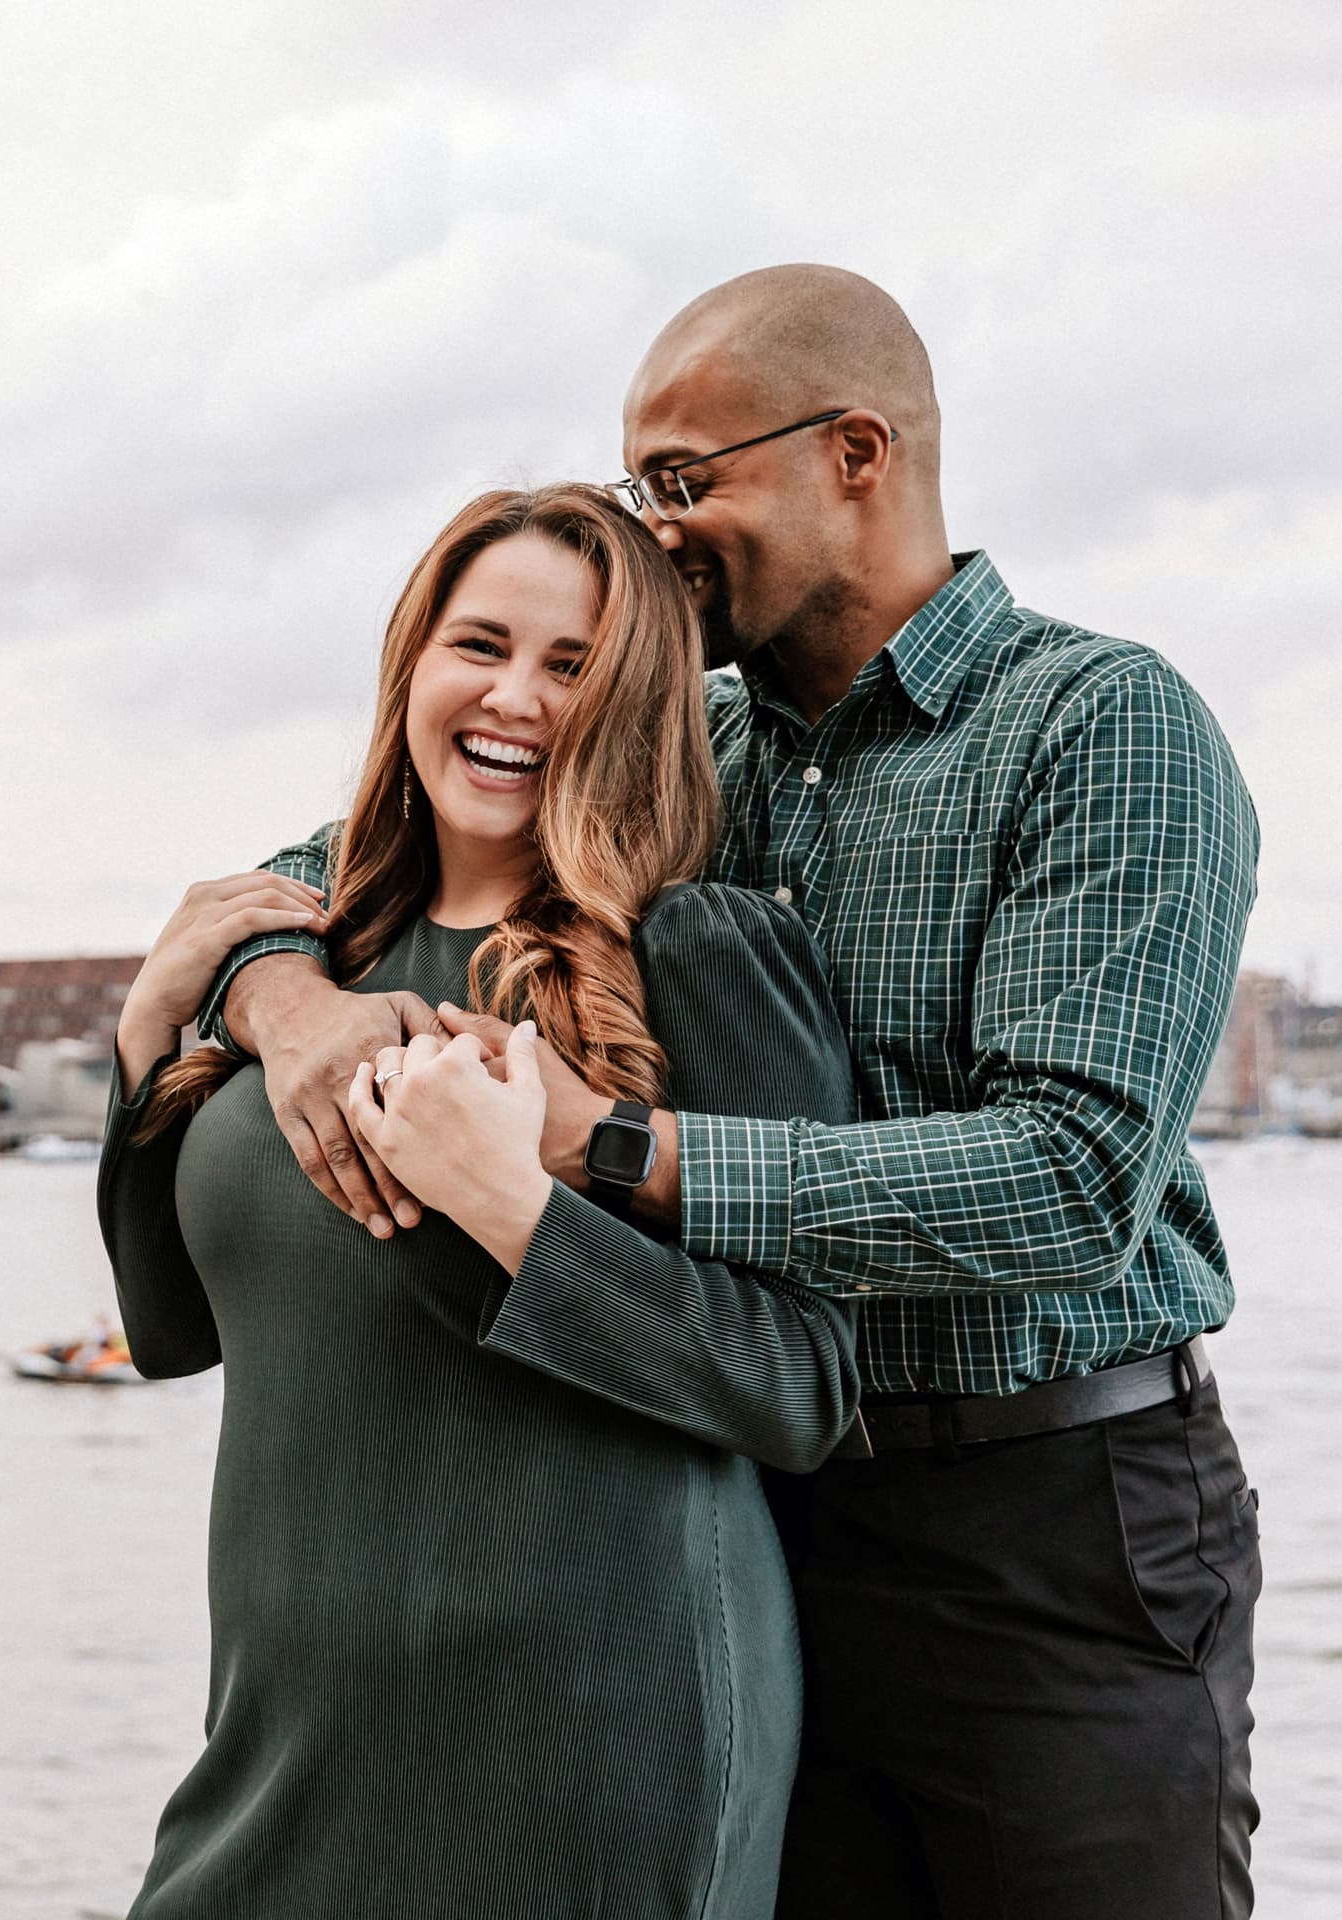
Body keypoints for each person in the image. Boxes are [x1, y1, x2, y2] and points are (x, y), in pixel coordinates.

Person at [198, 266, 1263, 1920]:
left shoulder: (1104, 726)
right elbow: (340, 868)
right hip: (757, 1516)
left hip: (1053, 1531)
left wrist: (606, 1147)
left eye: (686, 483)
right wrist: (278, 999)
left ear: (857, 452)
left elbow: (1072, 1179)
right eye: (639, 487)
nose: (659, 531)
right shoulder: (685, 744)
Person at [99, 484, 863, 1919]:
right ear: (413, 664)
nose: (514, 695)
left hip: (584, 1731)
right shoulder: (307, 951)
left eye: (571, 666)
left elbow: (803, 1386)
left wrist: (519, 1211)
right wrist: (147, 1044)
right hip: (285, 1736)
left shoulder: (704, 949)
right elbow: (170, 1331)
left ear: (634, 706)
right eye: (481, 643)